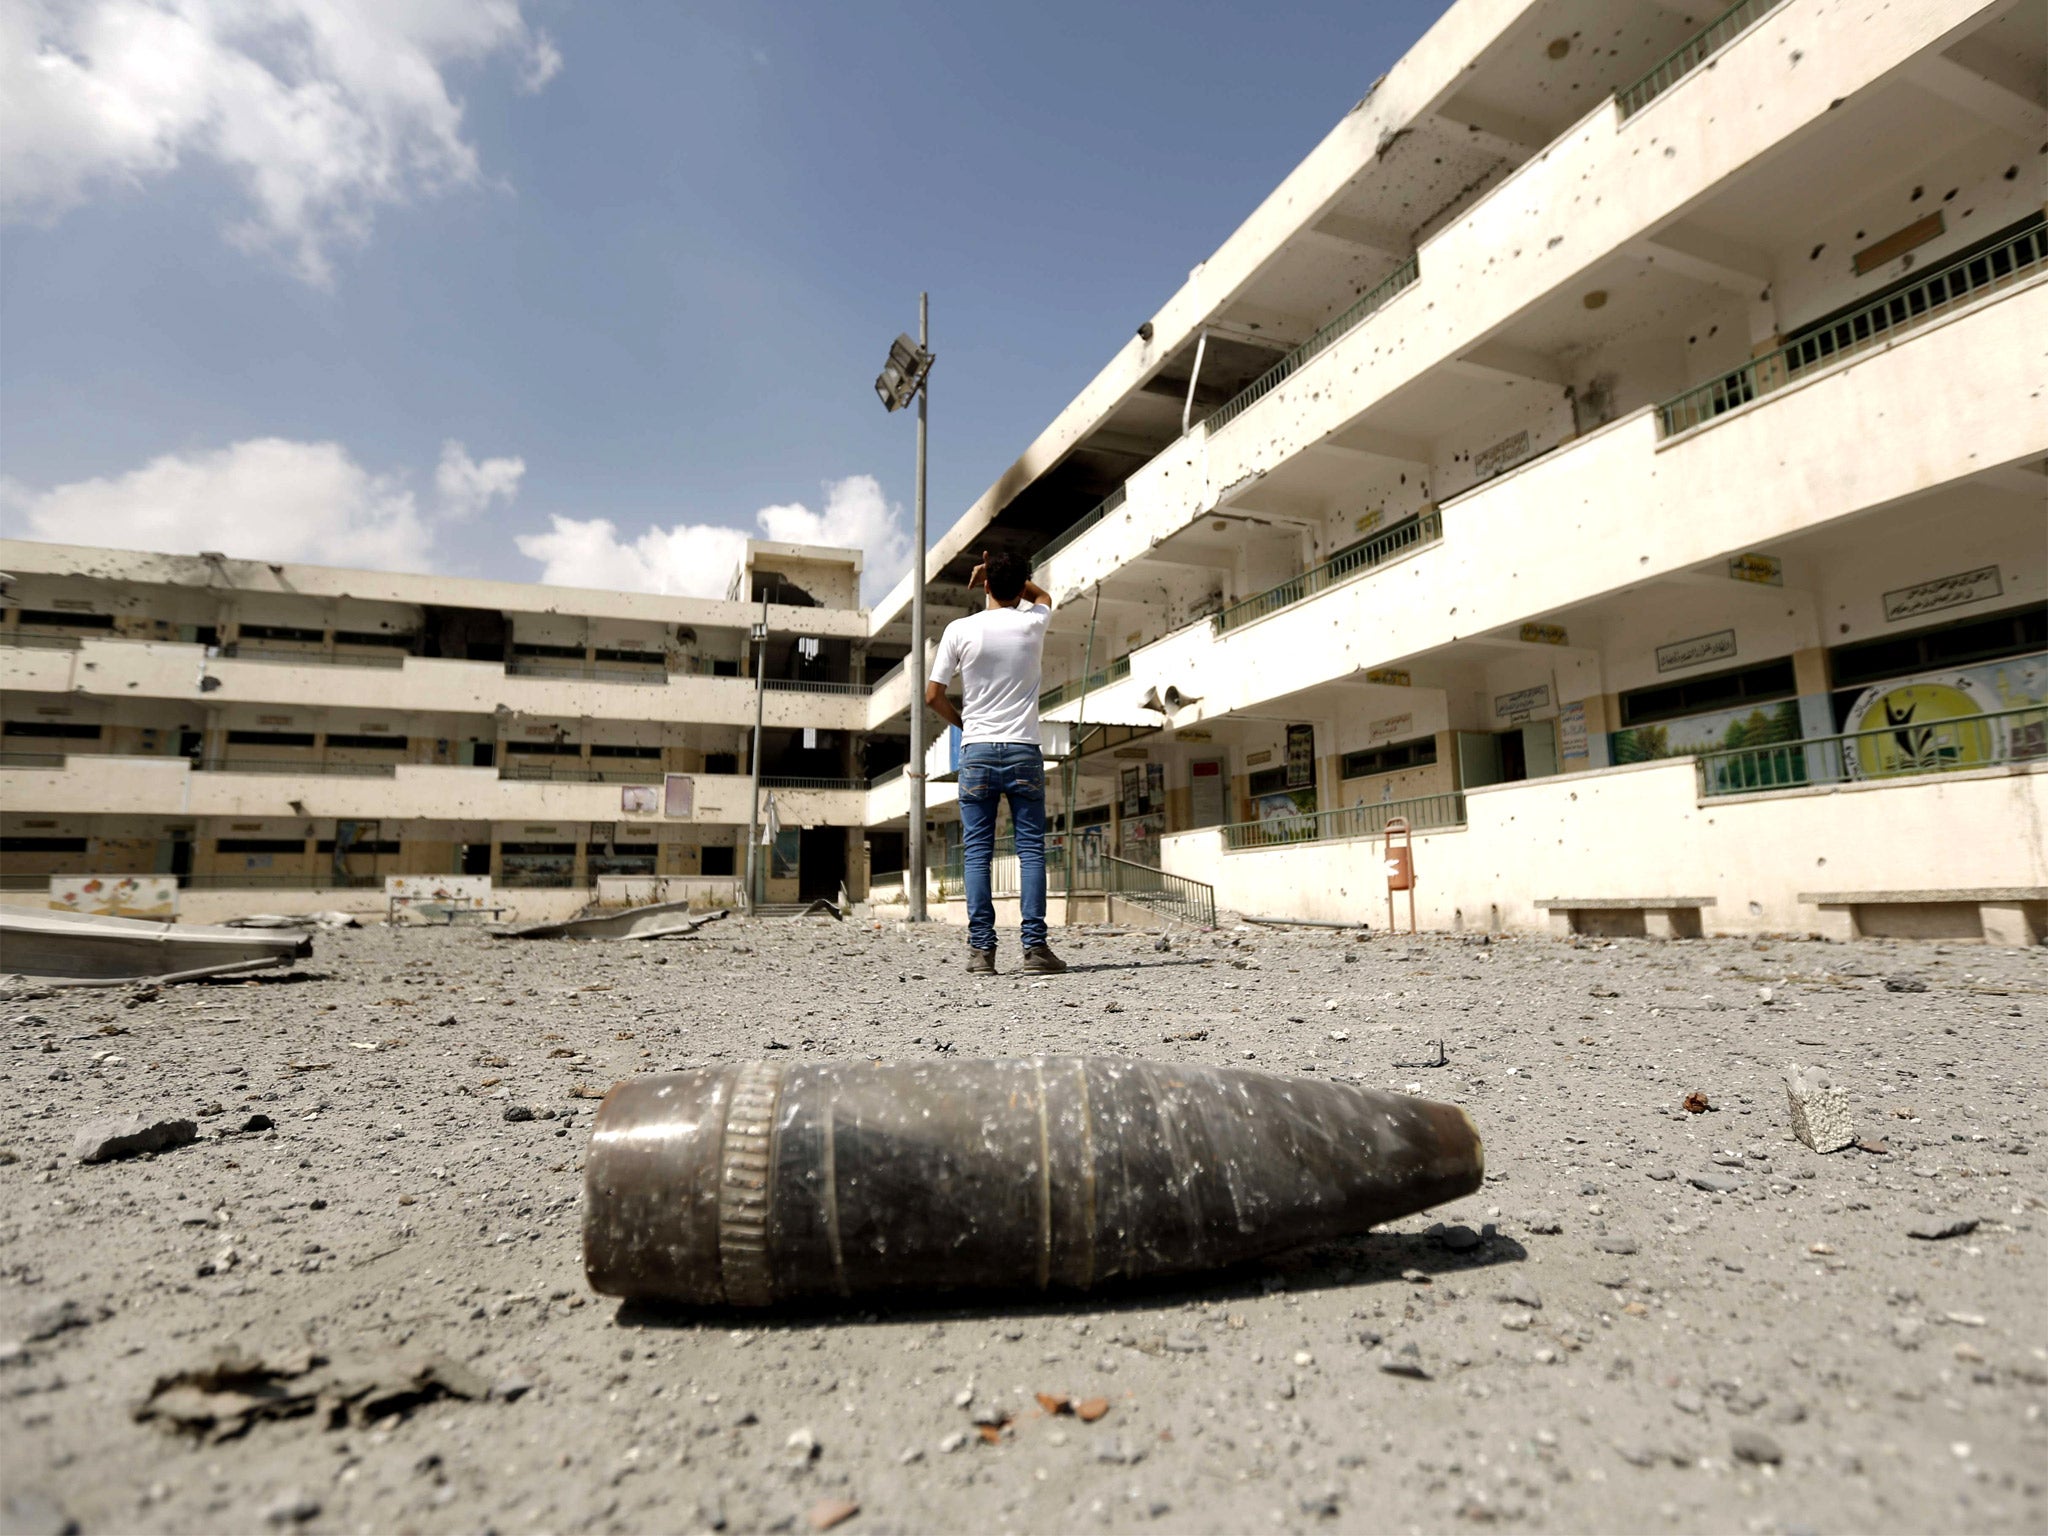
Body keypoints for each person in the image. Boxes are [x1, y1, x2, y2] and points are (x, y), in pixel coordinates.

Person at [924, 549, 1068, 974]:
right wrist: (1007, 574)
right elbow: (1044, 596)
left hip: (978, 751)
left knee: (977, 854)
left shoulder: (959, 630)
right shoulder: (1033, 623)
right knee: (1029, 850)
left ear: (984, 585)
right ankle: (1035, 950)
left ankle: (982, 952)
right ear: (1020, 586)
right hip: (1024, 748)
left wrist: (965, 724)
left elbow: (933, 695)